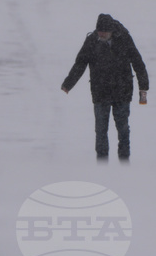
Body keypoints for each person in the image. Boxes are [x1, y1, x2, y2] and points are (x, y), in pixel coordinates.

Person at [61, 14, 149, 163]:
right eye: (99, 31)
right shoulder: (92, 41)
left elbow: (137, 62)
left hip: (122, 91)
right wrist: (68, 84)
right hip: (100, 91)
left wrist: (143, 87)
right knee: (101, 130)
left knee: (123, 129)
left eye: (103, 32)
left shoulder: (124, 38)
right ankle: (102, 163)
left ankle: (124, 161)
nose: (100, 34)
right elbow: (80, 63)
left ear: (111, 31)